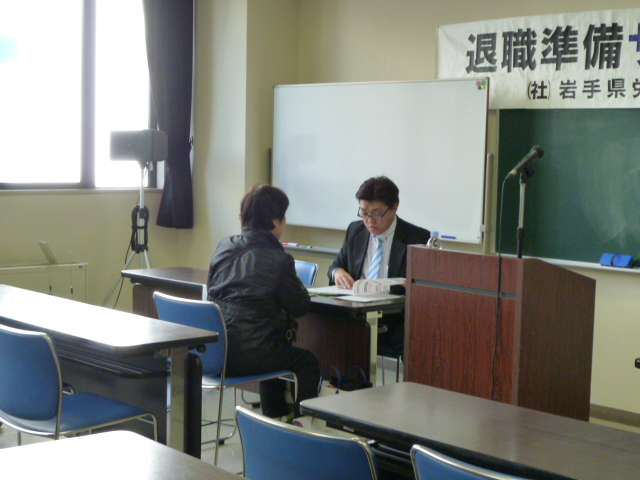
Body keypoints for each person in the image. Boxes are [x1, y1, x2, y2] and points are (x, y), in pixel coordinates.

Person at [207, 184, 320, 420]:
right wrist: (297, 284)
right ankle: (302, 426)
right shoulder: (279, 260)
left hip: (214, 350)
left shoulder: (224, 245)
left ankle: (274, 418)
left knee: (271, 345)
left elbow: (212, 290)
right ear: (276, 220)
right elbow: (299, 307)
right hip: (248, 355)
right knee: (307, 362)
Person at [328, 176, 430, 356]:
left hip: (395, 318)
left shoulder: (417, 237)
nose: (369, 221)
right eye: (364, 213)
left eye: (376, 213)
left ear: (394, 208)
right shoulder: (355, 230)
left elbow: (425, 287)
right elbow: (337, 264)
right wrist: (338, 272)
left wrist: (413, 287)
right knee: (327, 334)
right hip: (357, 314)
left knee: (414, 344)